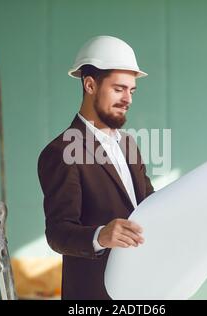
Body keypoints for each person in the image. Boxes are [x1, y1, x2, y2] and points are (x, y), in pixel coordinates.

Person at [37, 35, 154, 299]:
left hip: (140, 290)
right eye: (118, 89)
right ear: (90, 85)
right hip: (94, 294)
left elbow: (148, 206)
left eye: (131, 90)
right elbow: (58, 233)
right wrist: (101, 236)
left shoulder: (128, 145)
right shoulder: (61, 151)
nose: (128, 99)